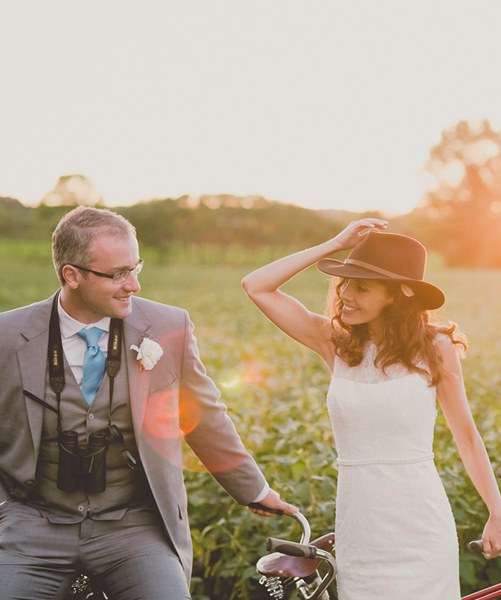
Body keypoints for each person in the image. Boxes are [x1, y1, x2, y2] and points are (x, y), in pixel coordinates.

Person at [0, 206, 296, 600]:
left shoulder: (169, 325)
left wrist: (254, 489)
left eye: (136, 268)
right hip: (32, 523)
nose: (134, 285)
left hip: (134, 526)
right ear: (71, 275)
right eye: (118, 274)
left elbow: (204, 417)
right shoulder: (7, 335)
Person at [241, 218, 501, 599]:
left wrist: (496, 512)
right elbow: (256, 285)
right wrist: (333, 244)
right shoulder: (334, 342)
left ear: (398, 294)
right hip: (360, 530)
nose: (345, 295)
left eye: (362, 287)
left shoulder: (435, 348)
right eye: (344, 282)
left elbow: (466, 435)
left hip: (421, 528)